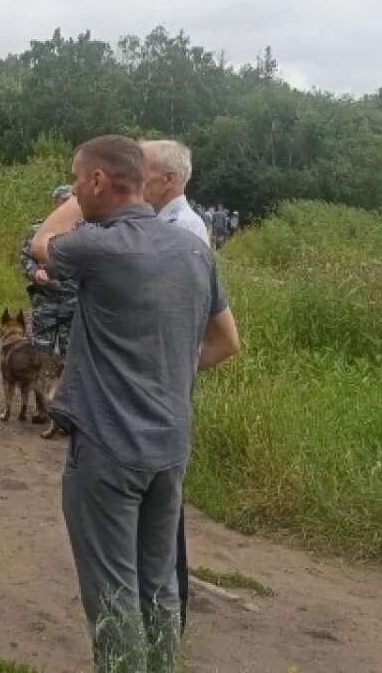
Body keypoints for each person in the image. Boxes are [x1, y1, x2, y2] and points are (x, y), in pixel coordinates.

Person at [32, 135, 240, 672]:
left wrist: (85, 193)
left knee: (112, 592)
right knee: (160, 583)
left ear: (98, 182)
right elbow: (225, 342)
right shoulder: (196, 249)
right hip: (170, 448)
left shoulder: (100, 247)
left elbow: (43, 240)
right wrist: (161, 368)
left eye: (79, 179)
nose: (75, 189)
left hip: (107, 448)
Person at [141, 138, 210, 637]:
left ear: (169, 179)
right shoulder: (163, 223)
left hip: (162, 389)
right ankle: (158, 604)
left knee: (166, 507)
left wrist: (172, 371)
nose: (133, 181)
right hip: (158, 384)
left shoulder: (183, 230)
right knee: (154, 501)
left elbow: (201, 325)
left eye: (140, 173)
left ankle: (173, 611)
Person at [20, 184, 79, 367]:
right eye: (63, 201)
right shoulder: (39, 229)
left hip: (74, 300)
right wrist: (35, 272)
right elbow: (25, 258)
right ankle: (42, 394)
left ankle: (67, 394)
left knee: (71, 354)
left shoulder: (84, 230)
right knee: (41, 353)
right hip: (46, 299)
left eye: (70, 201)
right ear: (54, 203)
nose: (66, 206)